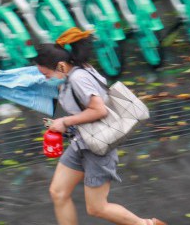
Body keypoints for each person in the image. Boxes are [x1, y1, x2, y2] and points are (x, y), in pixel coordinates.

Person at [34, 27, 166, 225]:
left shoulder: (78, 78)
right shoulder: (76, 70)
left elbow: (99, 110)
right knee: (58, 193)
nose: (46, 79)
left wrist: (65, 121)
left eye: (46, 74)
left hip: (98, 147)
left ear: (61, 66)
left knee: (97, 208)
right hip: (81, 142)